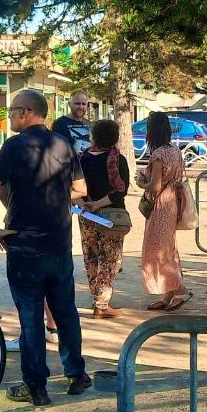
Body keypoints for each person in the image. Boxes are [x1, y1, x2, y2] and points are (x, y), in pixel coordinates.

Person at [0, 89, 91, 407]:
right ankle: (76, 374)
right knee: (66, 312)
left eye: (12, 110)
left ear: (26, 112)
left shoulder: (14, 146)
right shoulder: (64, 143)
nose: (10, 116)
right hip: (59, 244)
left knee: (30, 317)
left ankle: (36, 386)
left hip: (25, 245)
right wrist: (53, 199)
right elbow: (80, 189)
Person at [137, 111, 193, 311]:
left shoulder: (158, 154)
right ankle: (170, 294)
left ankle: (179, 289)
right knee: (168, 247)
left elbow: (155, 186)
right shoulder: (175, 151)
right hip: (174, 202)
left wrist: (140, 183)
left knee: (159, 249)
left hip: (161, 205)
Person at [78, 119, 131, 318]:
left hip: (86, 215)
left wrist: (87, 205)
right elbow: (120, 191)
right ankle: (101, 305)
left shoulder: (81, 158)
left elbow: (73, 185)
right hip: (111, 217)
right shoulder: (118, 159)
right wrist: (99, 204)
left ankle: (97, 297)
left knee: (90, 256)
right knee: (109, 258)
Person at [52, 90, 93, 154]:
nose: (81, 107)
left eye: (84, 104)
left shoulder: (90, 124)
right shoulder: (59, 123)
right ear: (69, 104)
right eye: (77, 103)